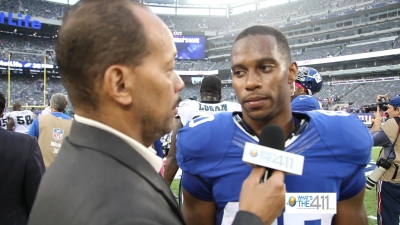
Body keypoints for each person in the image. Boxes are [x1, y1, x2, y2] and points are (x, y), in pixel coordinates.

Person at [28, 2, 286, 225]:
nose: (179, 83)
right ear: (120, 84)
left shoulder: (82, 163)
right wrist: (252, 217)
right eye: (167, 69)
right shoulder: (122, 207)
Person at [176, 25, 371, 225]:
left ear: (291, 72)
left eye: (265, 68)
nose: (250, 82)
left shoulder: (341, 139)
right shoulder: (207, 143)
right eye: (239, 72)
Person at [164, 75, 241, 188]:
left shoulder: (188, 108)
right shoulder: (234, 108)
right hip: (227, 177)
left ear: (200, 90)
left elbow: (173, 155)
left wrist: (164, 188)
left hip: (195, 179)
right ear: (220, 92)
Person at [0, 91, 45, 225]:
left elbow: (10, 125)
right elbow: (38, 200)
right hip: (19, 143)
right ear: (2, 111)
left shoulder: (12, 115)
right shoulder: (27, 144)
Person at [370, 94, 400, 225]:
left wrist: (377, 120)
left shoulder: (391, 125)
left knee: (387, 219)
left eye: (389, 108)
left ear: (398, 110)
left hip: (390, 181)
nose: (387, 111)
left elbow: (369, 140)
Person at [27, 93, 73, 168]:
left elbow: (29, 141)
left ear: (51, 105)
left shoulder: (40, 120)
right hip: (64, 168)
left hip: (42, 168)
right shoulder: (73, 123)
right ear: (65, 106)